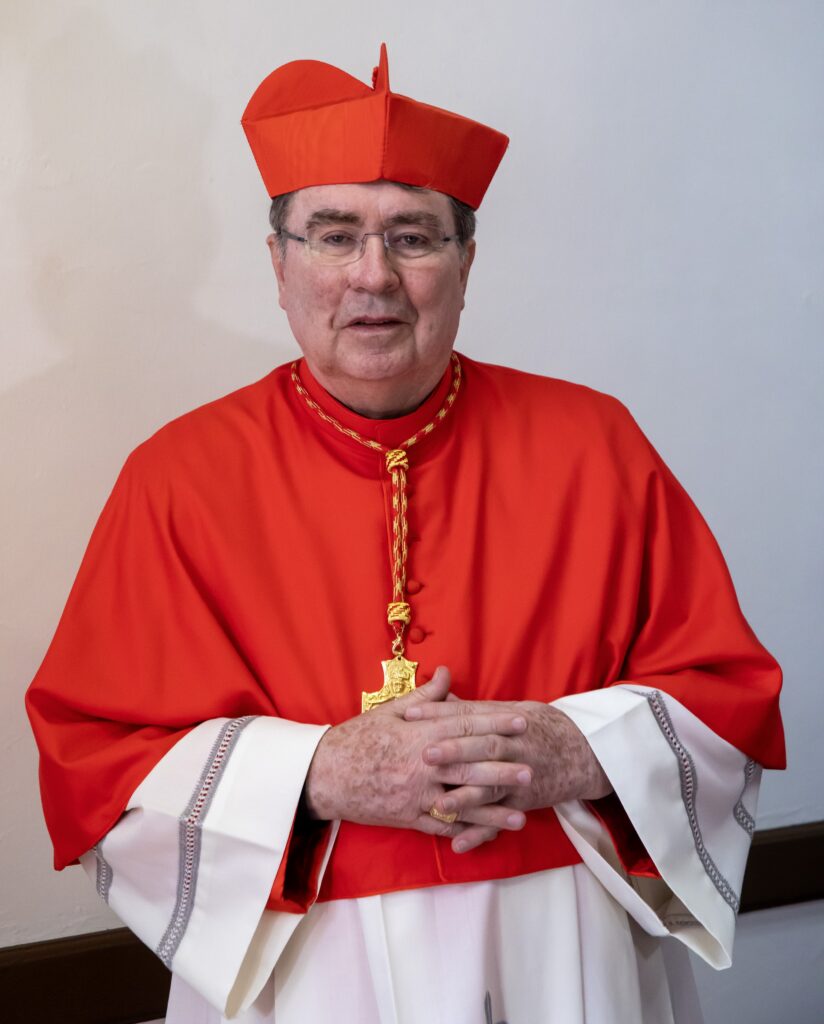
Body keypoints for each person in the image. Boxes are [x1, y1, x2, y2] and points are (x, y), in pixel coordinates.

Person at [26, 45, 785, 1023]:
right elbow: (94, 762)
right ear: (278, 262)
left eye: (413, 237)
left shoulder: (592, 441)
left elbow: (727, 699)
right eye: (333, 234)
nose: (371, 276)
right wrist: (319, 771)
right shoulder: (175, 475)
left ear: (466, 260)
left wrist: (574, 748)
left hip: (561, 946)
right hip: (301, 964)